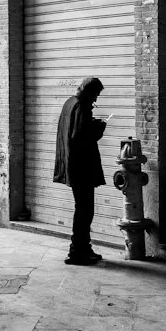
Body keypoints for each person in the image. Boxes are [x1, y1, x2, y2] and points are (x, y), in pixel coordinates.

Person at [53, 75, 107, 265]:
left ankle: (83, 248)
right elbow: (80, 137)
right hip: (81, 167)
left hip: (72, 165)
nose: (96, 100)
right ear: (89, 91)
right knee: (85, 209)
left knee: (82, 208)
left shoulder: (69, 103)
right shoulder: (82, 105)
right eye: (96, 95)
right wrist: (98, 129)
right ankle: (78, 251)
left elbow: (73, 131)